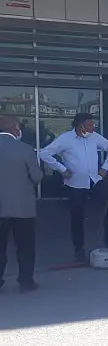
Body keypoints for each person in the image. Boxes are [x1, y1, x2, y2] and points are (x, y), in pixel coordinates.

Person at [39, 113, 108, 263]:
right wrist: (62, 169)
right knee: (77, 217)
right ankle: (79, 250)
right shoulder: (65, 139)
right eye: (89, 125)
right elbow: (44, 153)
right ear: (80, 125)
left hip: (95, 180)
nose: (93, 127)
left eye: (93, 125)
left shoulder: (94, 137)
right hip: (75, 184)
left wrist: (105, 167)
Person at [0, 116, 43, 292]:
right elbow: (37, 177)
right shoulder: (25, 149)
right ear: (14, 129)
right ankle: (26, 282)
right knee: (25, 247)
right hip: (22, 207)